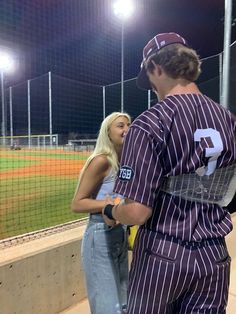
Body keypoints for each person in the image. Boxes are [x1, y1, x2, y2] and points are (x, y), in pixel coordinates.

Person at [102, 32, 236, 313]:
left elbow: (137, 212)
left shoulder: (149, 123)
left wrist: (113, 212)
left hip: (163, 254)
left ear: (156, 67)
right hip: (215, 255)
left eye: (149, 76)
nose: (151, 86)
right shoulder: (228, 120)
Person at [71, 112, 131, 314]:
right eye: (120, 126)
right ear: (108, 132)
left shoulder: (125, 162)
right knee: (107, 308)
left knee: (124, 303)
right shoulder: (101, 161)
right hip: (100, 234)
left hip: (120, 234)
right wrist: (105, 205)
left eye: (129, 125)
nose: (126, 130)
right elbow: (77, 203)